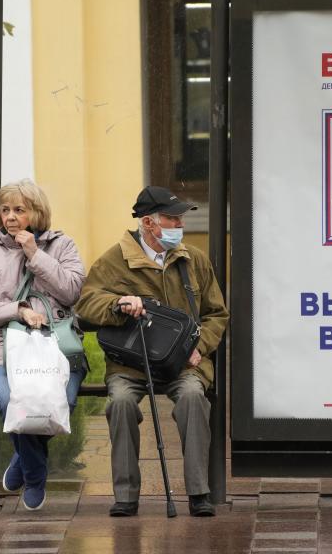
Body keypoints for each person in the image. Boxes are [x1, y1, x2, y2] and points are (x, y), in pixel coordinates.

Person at [76, 186, 229, 518]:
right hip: (131, 364)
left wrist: (198, 347)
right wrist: (117, 303)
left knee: (192, 397)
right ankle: (126, 495)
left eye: (179, 219)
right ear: (148, 223)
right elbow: (87, 303)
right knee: (121, 403)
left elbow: (217, 314)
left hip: (185, 364)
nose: (179, 225)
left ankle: (199, 492)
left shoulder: (194, 260)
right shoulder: (115, 259)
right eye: (172, 219)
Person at [0, 179, 87, 511]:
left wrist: (34, 253)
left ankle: (21, 462)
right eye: (5, 210)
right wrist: (18, 310)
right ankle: (35, 476)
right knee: (10, 399)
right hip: (2, 348)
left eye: (19, 209)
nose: (11, 217)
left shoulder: (62, 245)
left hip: (58, 345)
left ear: (37, 212)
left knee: (60, 402)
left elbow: (73, 291)